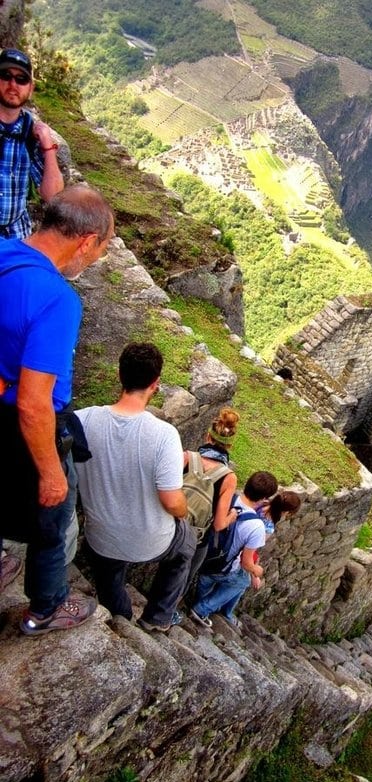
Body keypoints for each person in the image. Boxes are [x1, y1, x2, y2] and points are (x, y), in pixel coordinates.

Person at [0, 184, 114, 635]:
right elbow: (33, 403)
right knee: (53, 520)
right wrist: (50, 471)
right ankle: (45, 608)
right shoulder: (56, 299)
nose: (95, 260)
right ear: (86, 241)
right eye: (100, 250)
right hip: (19, 425)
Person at [75, 343, 197, 632]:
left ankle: (120, 618)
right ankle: (157, 616)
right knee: (186, 544)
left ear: (119, 374)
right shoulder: (163, 435)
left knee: (109, 576)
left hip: (101, 537)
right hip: (151, 542)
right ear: (155, 385)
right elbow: (171, 501)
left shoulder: (82, 420)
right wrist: (183, 511)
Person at [189, 471, 278, 628]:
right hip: (222, 566)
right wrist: (257, 570)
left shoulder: (228, 497)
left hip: (203, 554)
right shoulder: (256, 526)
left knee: (206, 578)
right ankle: (201, 609)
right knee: (243, 580)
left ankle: (196, 600)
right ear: (264, 499)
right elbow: (246, 563)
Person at [0, 48, 64, 239]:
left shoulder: (29, 131)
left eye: (21, 79)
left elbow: (52, 195)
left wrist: (47, 146)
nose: (13, 84)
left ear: (30, 88)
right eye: (5, 76)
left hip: (16, 235)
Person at [184, 407, 240, 585]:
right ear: (230, 445)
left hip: (168, 522)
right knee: (184, 576)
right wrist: (232, 516)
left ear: (208, 437)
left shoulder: (186, 457)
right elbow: (218, 524)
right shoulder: (228, 477)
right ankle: (170, 610)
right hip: (194, 538)